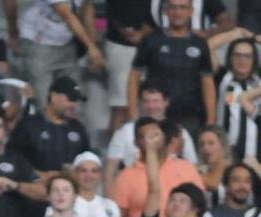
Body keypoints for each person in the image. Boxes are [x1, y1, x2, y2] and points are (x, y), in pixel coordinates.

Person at [111, 117, 205, 217]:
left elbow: (200, 207)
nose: (151, 140)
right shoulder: (125, 176)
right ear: (136, 142)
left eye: (156, 135)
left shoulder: (186, 168)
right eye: (146, 136)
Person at [128, 0, 214, 135]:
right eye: (173, 7)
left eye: (182, 7)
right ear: (165, 11)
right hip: (155, 115)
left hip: (190, 116)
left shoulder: (200, 44)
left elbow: (207, 82)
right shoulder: (151, 40)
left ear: (191, 11)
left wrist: (211, 119)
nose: (177, 12)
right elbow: (134, 77)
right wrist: (133, 114)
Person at [209, 28, 261, 161]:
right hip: (228, 152)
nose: (242, 60)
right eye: (237, 55)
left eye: (247, 56)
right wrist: (234, 33)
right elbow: (208, 45)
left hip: (260, 151)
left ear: (254, 58)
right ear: (230, 57)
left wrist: (252, 37)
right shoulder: (221, 77)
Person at [105, 80, 200, 189]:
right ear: (139, 103)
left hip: (172, 191)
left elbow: (192, 167)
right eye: (146, 101)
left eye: (156, 101)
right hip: (135, 188)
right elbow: (110, 171)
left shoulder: (180, 132)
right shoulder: (124, 132)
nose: (151, 106)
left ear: (166, 102)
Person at [12, 0, 105, 108]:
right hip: (39, 44)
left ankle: (70, 124)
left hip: (66, 43)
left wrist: (93, 48)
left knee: (73, 96)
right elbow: (65, 13)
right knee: (44, 100)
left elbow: (87, 7)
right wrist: (91, 47)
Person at [11, 76, 91, 174]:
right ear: (53, 97)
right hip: (35, 186)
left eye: (75, 100)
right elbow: (12, 160)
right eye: (70, 99)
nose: (73, 105)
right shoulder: (28, 126)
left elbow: (88, 161)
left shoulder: (78, 128)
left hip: (69, 187)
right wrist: (39, 175)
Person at [101, 0, 155, 134]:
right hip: (123, 46)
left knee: (146, 103)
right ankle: (117, 149)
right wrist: (137, 32)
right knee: (121, 105)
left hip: (151, 46)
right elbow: (121, 21)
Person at [71, 151, 120, 217]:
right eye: (83, 171)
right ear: (75, 174)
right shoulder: (65, 204)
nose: (89, 175)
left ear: (100, 175)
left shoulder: (111, 205)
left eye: (94, 171)